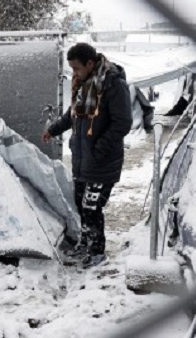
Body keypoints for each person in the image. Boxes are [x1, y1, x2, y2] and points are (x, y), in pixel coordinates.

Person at [42, 43, 132, 268]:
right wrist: (53, 129)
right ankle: (86, 244)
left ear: (90, 64)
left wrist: (100, 148)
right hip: (83, 162)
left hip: (102, 162)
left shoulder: (113, 85)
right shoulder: (84, 85)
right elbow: (73, 114)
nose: (74, 73)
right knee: (81, 205)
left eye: (76, 68)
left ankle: (97, 252)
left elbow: (123, 122)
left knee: (92, 207)